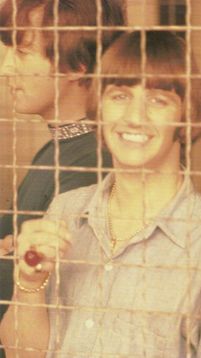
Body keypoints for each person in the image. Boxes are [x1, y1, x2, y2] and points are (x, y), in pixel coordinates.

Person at [0, 31, 201, 357]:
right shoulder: (65, 210)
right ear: (99, 107)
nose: (134, 117)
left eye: (157, 99)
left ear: (187, 117)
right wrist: (29, 281)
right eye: (120, 96)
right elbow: (21, 353)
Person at [0, 0, 126, 355]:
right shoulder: (61, 146)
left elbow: (59, 305)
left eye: (21, 53)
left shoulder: (93, 163)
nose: (6, 68)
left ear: (76, 65)